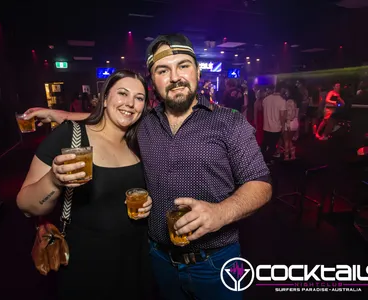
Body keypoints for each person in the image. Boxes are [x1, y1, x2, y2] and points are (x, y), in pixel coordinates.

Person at [24, 33, 272, 300]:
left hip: (214, 262)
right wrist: (60, 115)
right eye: (163, 70)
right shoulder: (145, 123)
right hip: (157, 260)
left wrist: (220, 213)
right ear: (154, 81)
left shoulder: (229, 123)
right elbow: (111, 116)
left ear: (198, 72)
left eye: (183, 66)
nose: (175, 77)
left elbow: (261, 184)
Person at [16, 70, 153, 300]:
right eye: (122, 93)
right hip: (86, 263)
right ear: (105, 98)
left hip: (135, 259)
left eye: (139, 98)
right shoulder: (70, 136)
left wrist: (147, 202)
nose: (130, 103)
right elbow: (25, 204)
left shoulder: (137, 142)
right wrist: (53, 180)